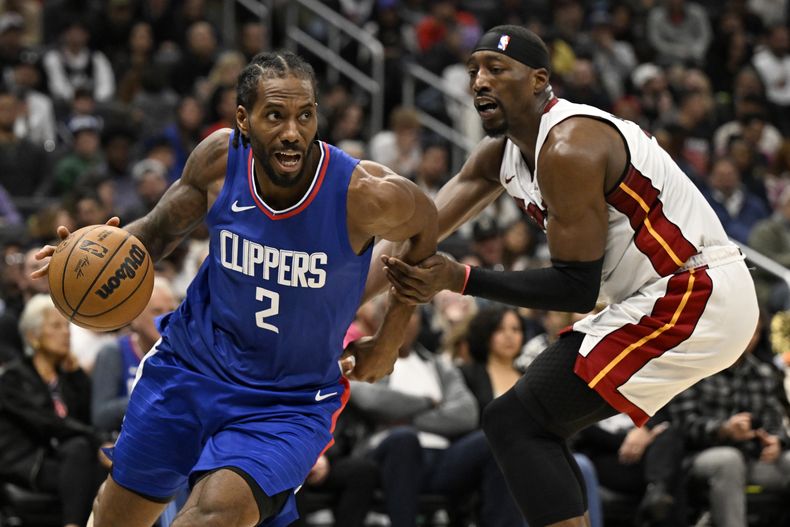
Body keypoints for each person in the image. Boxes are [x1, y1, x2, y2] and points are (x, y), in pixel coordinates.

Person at [32, 50, 437, 527]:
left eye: (305, 115)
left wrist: (390, 337)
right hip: (191, 366)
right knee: (114, 518)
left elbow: (425, 226)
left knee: (213, 516)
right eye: (275, 116)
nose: (293, 132)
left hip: (286, 401)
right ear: (243, 119)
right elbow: (156, 233)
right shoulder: (220, 161)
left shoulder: (364, 192)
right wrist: (90, 253)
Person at [378, 25, 759, 527]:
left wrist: (460, 277)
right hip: (664, 296)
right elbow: (417, 234)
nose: (479, 81)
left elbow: (575, 288)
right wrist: (346, 308)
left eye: (496, 69)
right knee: (525, 425)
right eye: (473, 70)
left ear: (539, 80)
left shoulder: (569, 145)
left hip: (696, 292)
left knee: (517, 421)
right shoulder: (500, 157)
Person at [0, 294, 106, 527]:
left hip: (65, 457)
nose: (66, 333)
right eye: (56, 326)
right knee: (81, 450)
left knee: (97, 461)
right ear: (33, 336)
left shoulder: (66, 378)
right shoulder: (14, 378)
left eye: (67, 326)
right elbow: (47, 423)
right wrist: (98, 439)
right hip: (30, 462)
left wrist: (77, 374)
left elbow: (87, 417)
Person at [91, 276, 178, 434]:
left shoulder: (184, 354)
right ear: (135, 317)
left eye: (172, 310)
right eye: (157, 311)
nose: (166, 319)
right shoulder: (113, 351)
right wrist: (153, 395)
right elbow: (101, 415)